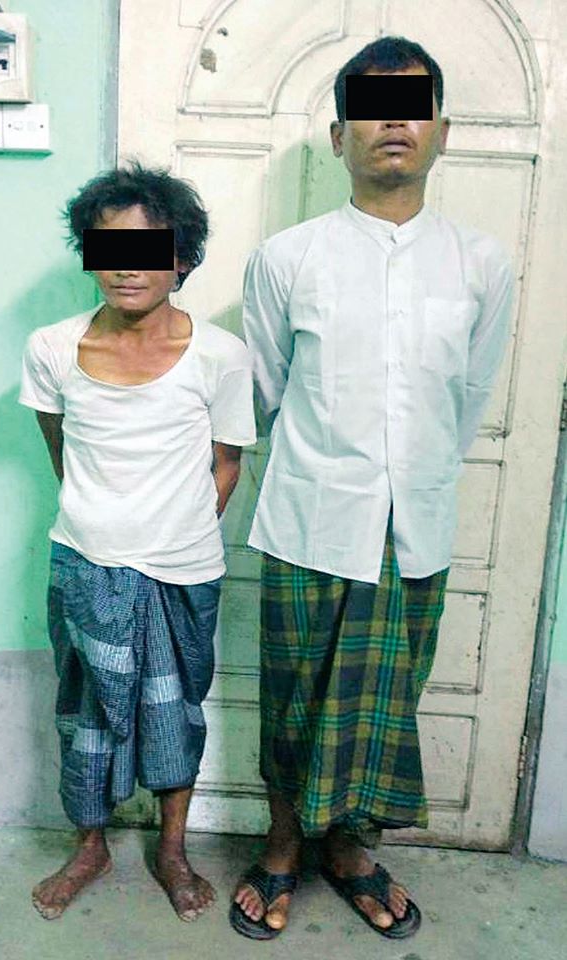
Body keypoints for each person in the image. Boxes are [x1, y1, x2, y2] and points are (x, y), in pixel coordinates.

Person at [231, 36, 513, 940]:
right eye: (371, 107)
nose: (393, 122)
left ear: (442, 133)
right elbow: (265, 392)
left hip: (412, 526)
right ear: (338, 135)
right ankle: (282, 844)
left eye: (413, 106)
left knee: (387, 702)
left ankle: (351, 851)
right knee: (294, 694)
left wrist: (409, 477)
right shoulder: (286, 259)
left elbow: (468, 396)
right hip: (309, 518)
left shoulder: (481, 264)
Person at [19, 163, 256, 922]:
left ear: (181, 259)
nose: (128, 267)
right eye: (110, 248)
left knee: (175, 711)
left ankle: (172, 849)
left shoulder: (221, 355)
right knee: (84, 711)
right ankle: (89, 845)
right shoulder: (52, 347)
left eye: (149, 249)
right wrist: (105, 526)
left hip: (183, 571)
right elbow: (60, 448)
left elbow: (226, 462)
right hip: (84, 565)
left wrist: (175, 530)